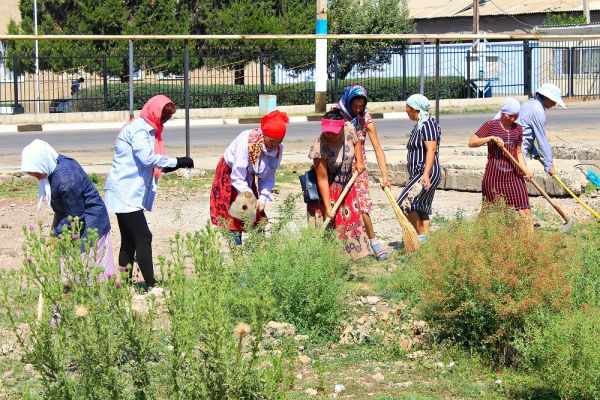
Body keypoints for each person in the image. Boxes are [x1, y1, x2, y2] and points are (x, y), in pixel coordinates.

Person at [104, 95, 193, 288]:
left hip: (127, 192)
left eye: (167, 118)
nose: (164, 121)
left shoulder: (148, 129)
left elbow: (150, 162)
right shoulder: (138, 130)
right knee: (144, 236)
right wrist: (177, 161)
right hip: (125, 193)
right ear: (153, 112)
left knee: (129, 240)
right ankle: (151, 285)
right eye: (163, 117)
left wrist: (172, 165)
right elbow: (147, 158)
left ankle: (126, 286)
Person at [20, 139, 114, 277]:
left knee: (89, 267)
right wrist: (54, 234)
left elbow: (75, 216)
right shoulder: (53, 166)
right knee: (72, 267)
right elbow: (62, 210)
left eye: (36, 173)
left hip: (90, 223)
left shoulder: (66, 180)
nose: (36, 177)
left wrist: (57, 237)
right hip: (75, 220)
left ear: (43, 163)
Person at [210, 110, 289, 245]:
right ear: (264, 135)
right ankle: (237, 251)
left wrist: (263, 198)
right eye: (272, 141)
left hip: (247, 178)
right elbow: (238, 176)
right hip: (231, 175)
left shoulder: (277, 149)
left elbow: (268, 176)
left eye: (279, 141)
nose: (274, 145)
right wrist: (250, 197)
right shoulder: (246, 141)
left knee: (256, 215)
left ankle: (258, 251)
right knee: (234, 217)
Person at [334, 84, 390, 260]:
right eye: (355, 106)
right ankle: (342, 248)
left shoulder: (365, 119)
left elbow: (378, 149)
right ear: (348, 101)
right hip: (338, 168)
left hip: (359, 168)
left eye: (361, 106)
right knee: (339, 207)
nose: (358, 109)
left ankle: (374, 242)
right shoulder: (337, 115)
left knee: (363, 205)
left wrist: (385, 176)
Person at [307, 109, 370, 260]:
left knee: (351, 220)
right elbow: (321, 178)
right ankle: (331, 261)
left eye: (333, 132)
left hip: (347, 184)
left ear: (341, 127)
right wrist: (328, 206)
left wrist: (359, 162)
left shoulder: (348, 128)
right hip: (329, 189)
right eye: (327, 131)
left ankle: (352, 257)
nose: (329, 135)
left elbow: (357, 143)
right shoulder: (319, 147)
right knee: (331, 225)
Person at [469, 98, 533, 222]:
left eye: (516, 116)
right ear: (503, 112)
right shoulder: (490, 125)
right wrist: (490, 138)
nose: (513, 119)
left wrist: (525, 170)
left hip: (514, 177)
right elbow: (472, 142)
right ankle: (478, 237)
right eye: (510, 116)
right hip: (494, 178)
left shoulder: (518, 129)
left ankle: (530, 241)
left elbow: (518, 152)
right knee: (487, 211)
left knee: (525, 211)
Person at [396, 94, 442, 243]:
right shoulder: (420, 124)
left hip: (425, 172)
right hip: (420, 172)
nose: (406, 112)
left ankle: (421, 237)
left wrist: (426, 174)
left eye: (407, 109)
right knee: (421, 207)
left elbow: (431, 149)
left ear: (414, 109)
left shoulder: (428, 124)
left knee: (404, 203)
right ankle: (427, 241)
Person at [517, 83, 566, 177]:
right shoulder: (538, 111)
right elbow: (542, 140)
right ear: (547, 98)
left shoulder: (528, 104)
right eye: (554, 101)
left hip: (516, 147)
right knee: (518, 183)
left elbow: (525, 131)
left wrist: (534, 152)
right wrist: (549, 164)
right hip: (518, 151)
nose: (555, 104)